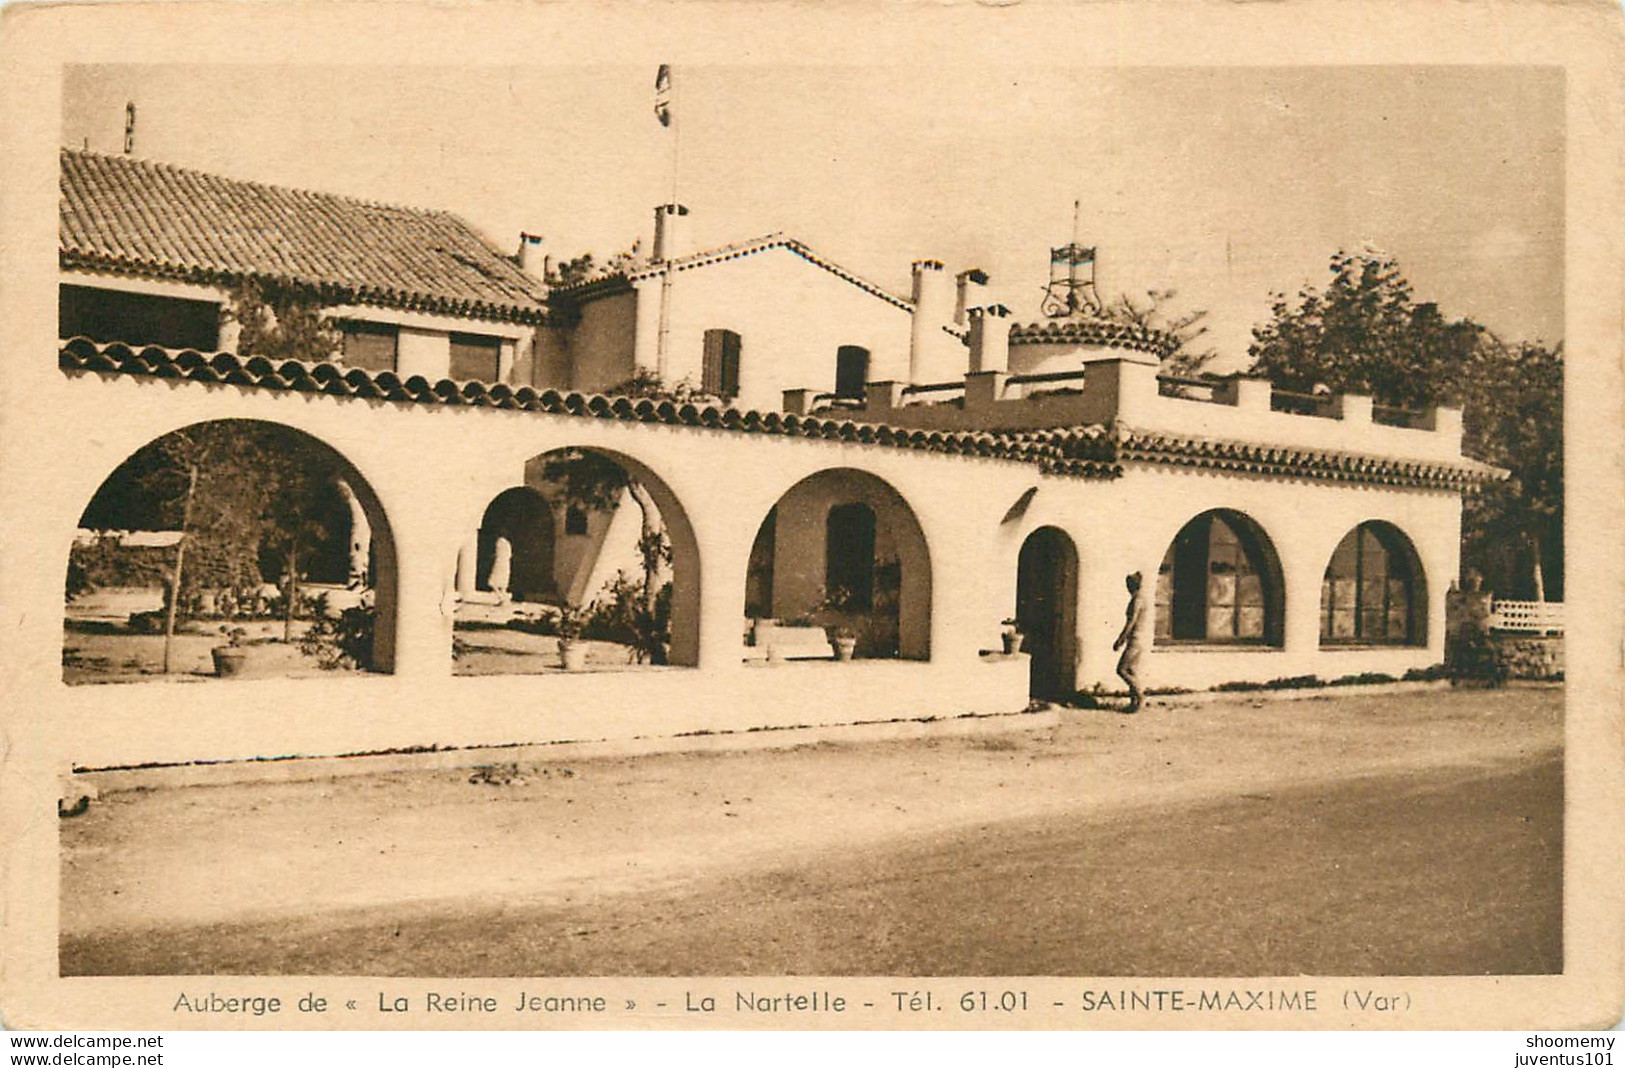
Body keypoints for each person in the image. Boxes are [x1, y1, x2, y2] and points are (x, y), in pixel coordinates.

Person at [1111, 571, 1146, 713]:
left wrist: (1120, 639)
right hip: (1139, 639)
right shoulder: (1140, 598)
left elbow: (1131, 621)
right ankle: (1134, 703)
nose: (1128, 587)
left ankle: (1140, 695)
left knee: (1122, 670)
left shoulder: (1137, 600)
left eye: (1129, 584)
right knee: (1131, 670)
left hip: (1135, 640)